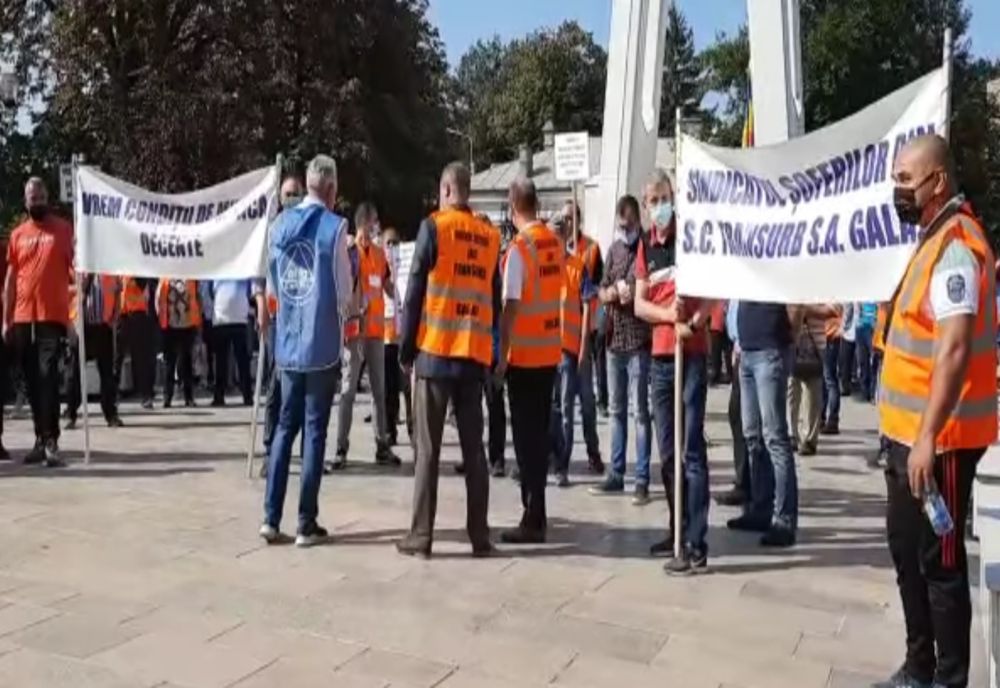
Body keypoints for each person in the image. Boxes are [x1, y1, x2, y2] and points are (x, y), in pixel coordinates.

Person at [873, 135, 996, 688]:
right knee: (906, 550)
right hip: (906, 437)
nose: (897, 188)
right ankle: (918, 665)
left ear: (937, 182)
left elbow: (951, 348)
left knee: (939, 563)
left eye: (905, 178)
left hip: (939, 441)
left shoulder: (956, 247)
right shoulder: (930, 239)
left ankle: (948, 678)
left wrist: (925, 437)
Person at [396, 162, 500, 558]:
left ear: (444, 189)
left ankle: (421, 537)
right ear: (468, 191)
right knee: (475, 453)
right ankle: (480, 536)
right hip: (472, 360)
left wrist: (406, 349)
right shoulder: (490, 237)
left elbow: (414, 292)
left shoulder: (434, 228)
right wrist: (491, 356)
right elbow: (494, 298)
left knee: (428, 451)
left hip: (435, 354)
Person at [260, 154, 352, 548]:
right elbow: (344, 292)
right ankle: (305, 522)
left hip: (289, 342)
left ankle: (270, 517)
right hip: (322, 344)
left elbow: (275, 286)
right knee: (314, 432)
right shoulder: (336, 229)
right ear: (330, 189)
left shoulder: (280, 225)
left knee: (284, 427)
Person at [633, 170, 712, 575]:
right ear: (646, 207)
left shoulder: (692, 238)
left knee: (691, 449)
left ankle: (697, 541)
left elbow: (714, 291)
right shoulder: (647, 245)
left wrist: (694, 323)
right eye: (653, 200)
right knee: (667, 453)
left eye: (665, 197)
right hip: (661, 358)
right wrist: (667, 316)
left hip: (692, 355)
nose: (660, 205)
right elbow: (639, 304)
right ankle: (676, 527)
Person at [495, 178, 563, 544]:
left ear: (511, 206)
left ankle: (532, 517)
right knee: (539, 437)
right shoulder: (554, 243)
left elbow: (511, 306)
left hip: (523, 358)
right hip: (549, 353)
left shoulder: (520, 250)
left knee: (526, 443)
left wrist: (501, 355)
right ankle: (539, 512)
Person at [3, 178, 73, 467]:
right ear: (26, 200)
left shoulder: (62, 230)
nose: (37, 201)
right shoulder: (18, 235)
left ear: (48, 198)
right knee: (32, 383)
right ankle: (39, 440)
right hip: (22, 318)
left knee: (47, 378)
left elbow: (76, 266)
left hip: (51, 317)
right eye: (33, 197)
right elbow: (10, 280)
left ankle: (52, 440)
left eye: (42, 196)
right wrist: (6, 320)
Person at [590, 195, 652, 505]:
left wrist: (613, 292)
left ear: (637, 221)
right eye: (620, 225)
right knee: (616, 411)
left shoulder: (646, 249)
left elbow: (629, 292)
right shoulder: (614, 250)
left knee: (640, 412)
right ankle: (616, 473)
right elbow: (604, 288)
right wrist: (608, 292)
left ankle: (642, 479)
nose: (623, 230)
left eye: (627, 225)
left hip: (639, 340)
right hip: (614, 341)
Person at [330, 202, 400, 469]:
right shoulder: (350, 253)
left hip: (376, 333)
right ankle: (341, 448)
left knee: (379, 391)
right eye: (374, 222)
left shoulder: (381, 255)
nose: (377, 227)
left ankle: (382, 445)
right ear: (364, 223)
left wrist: (395, 275)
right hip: (355, 332)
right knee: (348, 391)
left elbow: (389, 290)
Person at [727, 299, 797, 548]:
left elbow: (796, 305)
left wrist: (787, 339)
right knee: (752, 436)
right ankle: (760, 508)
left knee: (775, 438)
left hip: (770, 350)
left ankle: (784, 520)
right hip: (746, 349)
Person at [548, 204, 598, 487]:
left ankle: (563, 466)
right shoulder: (543, 267)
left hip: (567, 350)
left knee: (567, 411)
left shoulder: (577, 266)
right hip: (544, 351)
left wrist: (583, 347)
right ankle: (553, 458)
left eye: (560, 234)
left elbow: (588, 306)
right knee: (552, 410)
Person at [257, 176, 304, 472]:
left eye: (296, 194)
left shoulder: (306, 228)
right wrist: (260, 303)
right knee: (275, 383)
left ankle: (301, 451)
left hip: (302, 318)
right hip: (277, 319)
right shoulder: (271, 231)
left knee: (301, 384)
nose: (292, 198)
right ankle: (269, 449)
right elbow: (258, 273)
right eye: (287, 194)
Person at [560, 200, 605, 474]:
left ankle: (593, 452)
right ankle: (562, 458)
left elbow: (595, 291)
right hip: (560, 344)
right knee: (563, 407)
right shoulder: (552, 258)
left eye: (570, 217)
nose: (567, 223)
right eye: (563, 218)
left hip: (584, 338)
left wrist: (589, 335)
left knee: (587, 403)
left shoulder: (590, 249)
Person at [67, 274, 123, 429]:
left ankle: (111, 414)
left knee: (107, 373)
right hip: (82, 327)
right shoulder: (79, 266)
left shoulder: (109, 270)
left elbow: (118, 292)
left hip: (103, 327)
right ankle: (70, 413)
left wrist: (116, 315)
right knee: (75, 373)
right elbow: (66, 289)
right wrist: (81, 286)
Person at [716, 299, 751, 507]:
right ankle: (744, 480)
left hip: (751, 350)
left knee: (745, 419)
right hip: (740, 349)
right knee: (737, 416)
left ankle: (747, 484)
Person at [381, 226, 412, 446]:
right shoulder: (379, 268)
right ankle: (390, 430)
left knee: (409, 389)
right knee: (389, 389)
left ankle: (413, 429)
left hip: (404, 337)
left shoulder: (407, 268)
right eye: (388, 243)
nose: (391, 247)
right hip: (385, 338)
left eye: (395, 243)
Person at [788, 306, 834, 456]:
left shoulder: (822, 286)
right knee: (791, 392)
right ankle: (792, 434)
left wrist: (806, 310)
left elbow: (834, 309)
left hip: (816, 344)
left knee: (813, 396)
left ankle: (809, 439)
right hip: (792, 342)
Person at [206, 279, 253, 406]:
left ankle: (247, 396)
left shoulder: (243, 270)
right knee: (221, 362)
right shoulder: (216, 272)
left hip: (239, 320)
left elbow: (250, 291)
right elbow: (210, 292)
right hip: (221, 320)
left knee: (242, 361)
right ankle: (219, 396)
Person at [156, 278, 202, 408]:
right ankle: (167, 397)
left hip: (187, 326)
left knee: (187, 363)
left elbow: (197, 298)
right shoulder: (164, 279)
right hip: (170, 327)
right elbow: (158, 300)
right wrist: (161, 321)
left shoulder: (191, 279)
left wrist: (198, 322)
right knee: (169, 363)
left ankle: (189, 398)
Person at [115, 276, 156, 409]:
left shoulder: (138, 268)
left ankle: (146, 395)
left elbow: (143, 283)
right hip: (122, 314)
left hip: (137, 313)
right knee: (117, 357)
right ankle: (112, 394)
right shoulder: (118, 269)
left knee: (141, 357)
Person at [820, 304, 844, 435]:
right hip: (827, 337)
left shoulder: (832, 296)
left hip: (830, 337)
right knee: (824, 380)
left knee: (829, 379)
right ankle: (822, 417)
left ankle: (832, 420)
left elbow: (834, 311)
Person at [855, 301, 877, 402]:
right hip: (860, 326)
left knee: (873, 361)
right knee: (862, 361)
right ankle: (864, 392)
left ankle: (873, 393)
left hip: (872, 327)